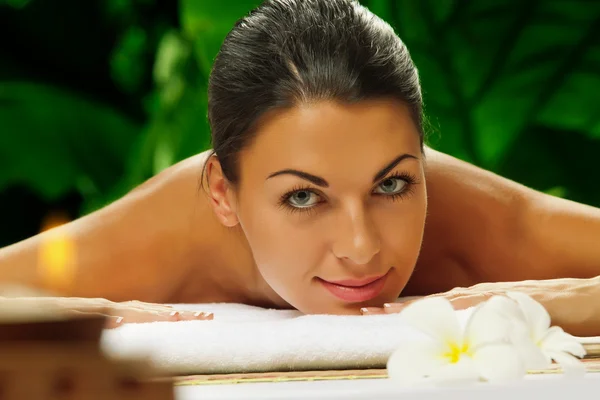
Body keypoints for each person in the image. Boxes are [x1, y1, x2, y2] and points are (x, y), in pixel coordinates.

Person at [1, 0, 600, 335]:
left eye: (392, 184)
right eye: (304, 198)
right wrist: (76, 312)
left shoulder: (472, 219)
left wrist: (560, 301)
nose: (362, 248)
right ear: (222, 193)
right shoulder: (168, 235)